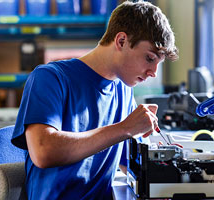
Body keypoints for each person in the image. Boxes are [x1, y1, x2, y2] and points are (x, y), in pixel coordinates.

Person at [11, 1, 178, 199]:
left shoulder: (123, 91)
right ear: (121, 41)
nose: (153, 72)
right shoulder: (50, 78)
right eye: (149, 58)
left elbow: (130, 164)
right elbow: (43, 151)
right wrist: (124, 128)